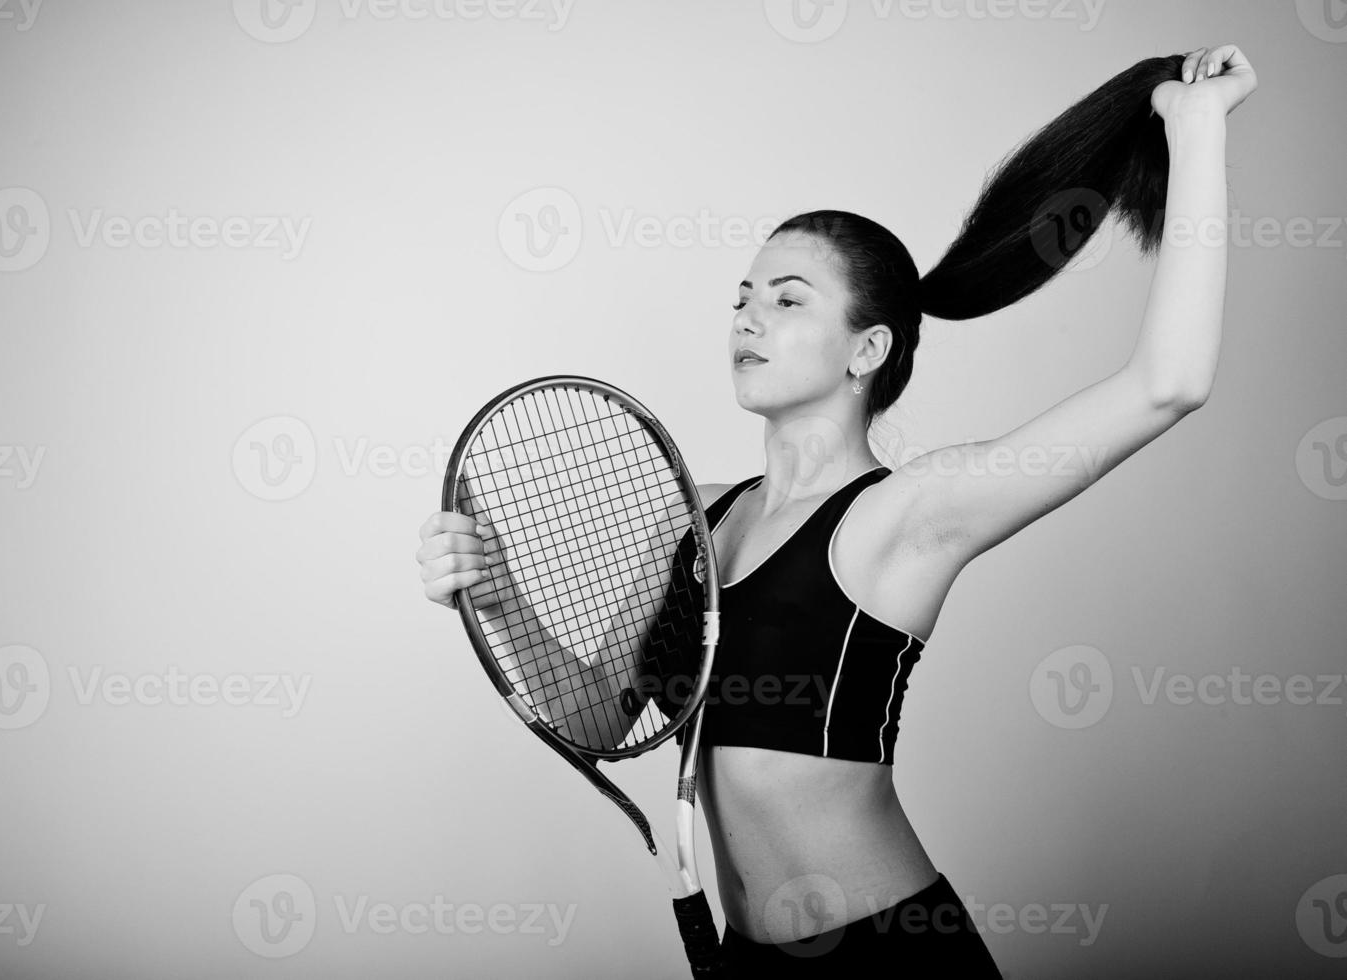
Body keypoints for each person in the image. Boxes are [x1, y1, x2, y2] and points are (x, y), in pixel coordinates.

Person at [416, 44, 1257, 976]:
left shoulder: (910, 514)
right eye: (741, 299)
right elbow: (605, 717)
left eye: (785, 299)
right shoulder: (695, 517)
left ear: (866, 351)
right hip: (744, 955)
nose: (745, 318)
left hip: (887, 955)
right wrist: (499, 597)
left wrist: (1196, 130)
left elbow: (1166, 384)